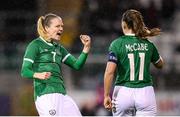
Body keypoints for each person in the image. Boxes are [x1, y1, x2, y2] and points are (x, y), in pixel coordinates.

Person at [21, 13, 91, 116]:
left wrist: (86, 48)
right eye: (57, 26)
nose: (61, 28)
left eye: (62, 26)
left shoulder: (59, 48)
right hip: (45, 95)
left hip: (62, 95)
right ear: (47, 28)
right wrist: (38, 74)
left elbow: (77, 65)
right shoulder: (35, 45)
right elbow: (24, 71)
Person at [103, 9, 164, 116]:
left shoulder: (117, 44)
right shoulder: (149, 44)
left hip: (123, 92)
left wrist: (106, 95)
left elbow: (109, 72)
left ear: (124, 24)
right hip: (145, 93)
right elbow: (160, 64)